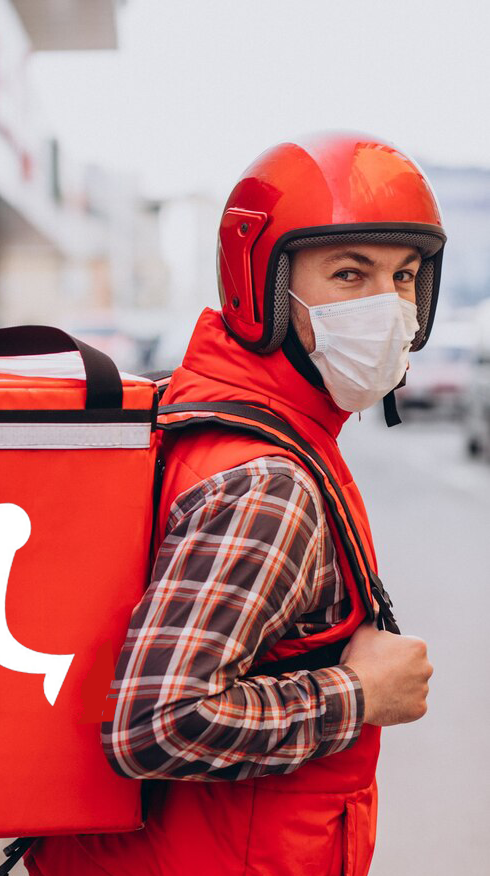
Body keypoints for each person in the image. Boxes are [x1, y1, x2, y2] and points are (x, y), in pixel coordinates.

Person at [24, 131, 441, 876]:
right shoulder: (266, 482)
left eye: (405, 277)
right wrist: (359, 692)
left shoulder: (216, 413)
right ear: (264, 287)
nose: (390, 307)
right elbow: (157, 723)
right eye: (350, 274)